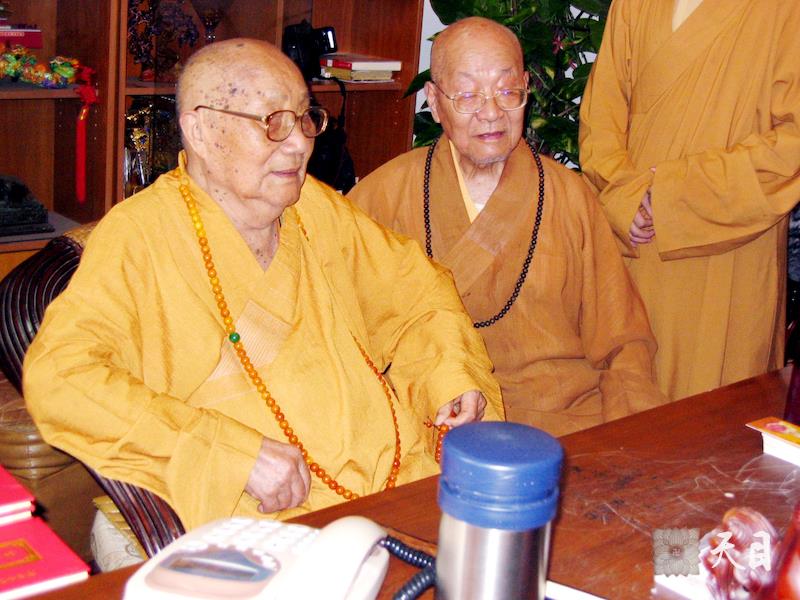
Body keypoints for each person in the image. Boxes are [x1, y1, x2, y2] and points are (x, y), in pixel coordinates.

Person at [22, 39, 502, 531]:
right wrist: (229, 452)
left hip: (401, 479)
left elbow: (418, 294)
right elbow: (63, 378)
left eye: (305, 118)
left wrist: (450, 378)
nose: (299, 144)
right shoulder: (142, 236)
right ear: (202, 131)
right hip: (266, 514)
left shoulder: (313, 206)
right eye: (273, 122)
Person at [348, 17, 666, 437]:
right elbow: (343, 335)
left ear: (526, 90)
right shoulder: (382, 197)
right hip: (434, 424)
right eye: (468, 95)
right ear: (435, 102)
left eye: (507, 91)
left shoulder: (570, 197)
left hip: (560, 422)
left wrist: (636, 435)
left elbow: (624, 342)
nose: (491, 112)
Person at [579, 0, 800, 400]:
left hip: (732, 249)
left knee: (716, 415)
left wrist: (674, 193)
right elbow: (600, 118)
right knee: (628, 404)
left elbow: (793, 145)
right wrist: (623, 193)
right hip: (636, 242)